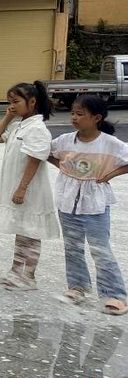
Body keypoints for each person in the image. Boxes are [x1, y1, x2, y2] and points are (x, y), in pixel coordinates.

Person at [48, 94, 128, 314]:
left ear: (96, 118)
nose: (74, 117)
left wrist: (111, 174)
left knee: (100, 250)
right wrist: (62, 167)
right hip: (67, 201)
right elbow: (45, 152)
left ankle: (115, 294)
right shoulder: (64, 140)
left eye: (80, 114)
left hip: (95, 204)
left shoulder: (110, 143)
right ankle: (77, 287)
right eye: (73, 113)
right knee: (72, 248)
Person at [0, 81, 59, 291]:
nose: (12, 105)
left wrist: (22, 188)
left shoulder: (37, 128)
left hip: (30, 190)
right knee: (21, 230)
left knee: (31, 232)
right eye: (9, 102)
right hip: (15, 185)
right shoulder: (19, 123)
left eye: (16, 102)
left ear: (32, 102)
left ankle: (29, 276)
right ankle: (15, 271)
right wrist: (8, 116)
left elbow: (34, 160)